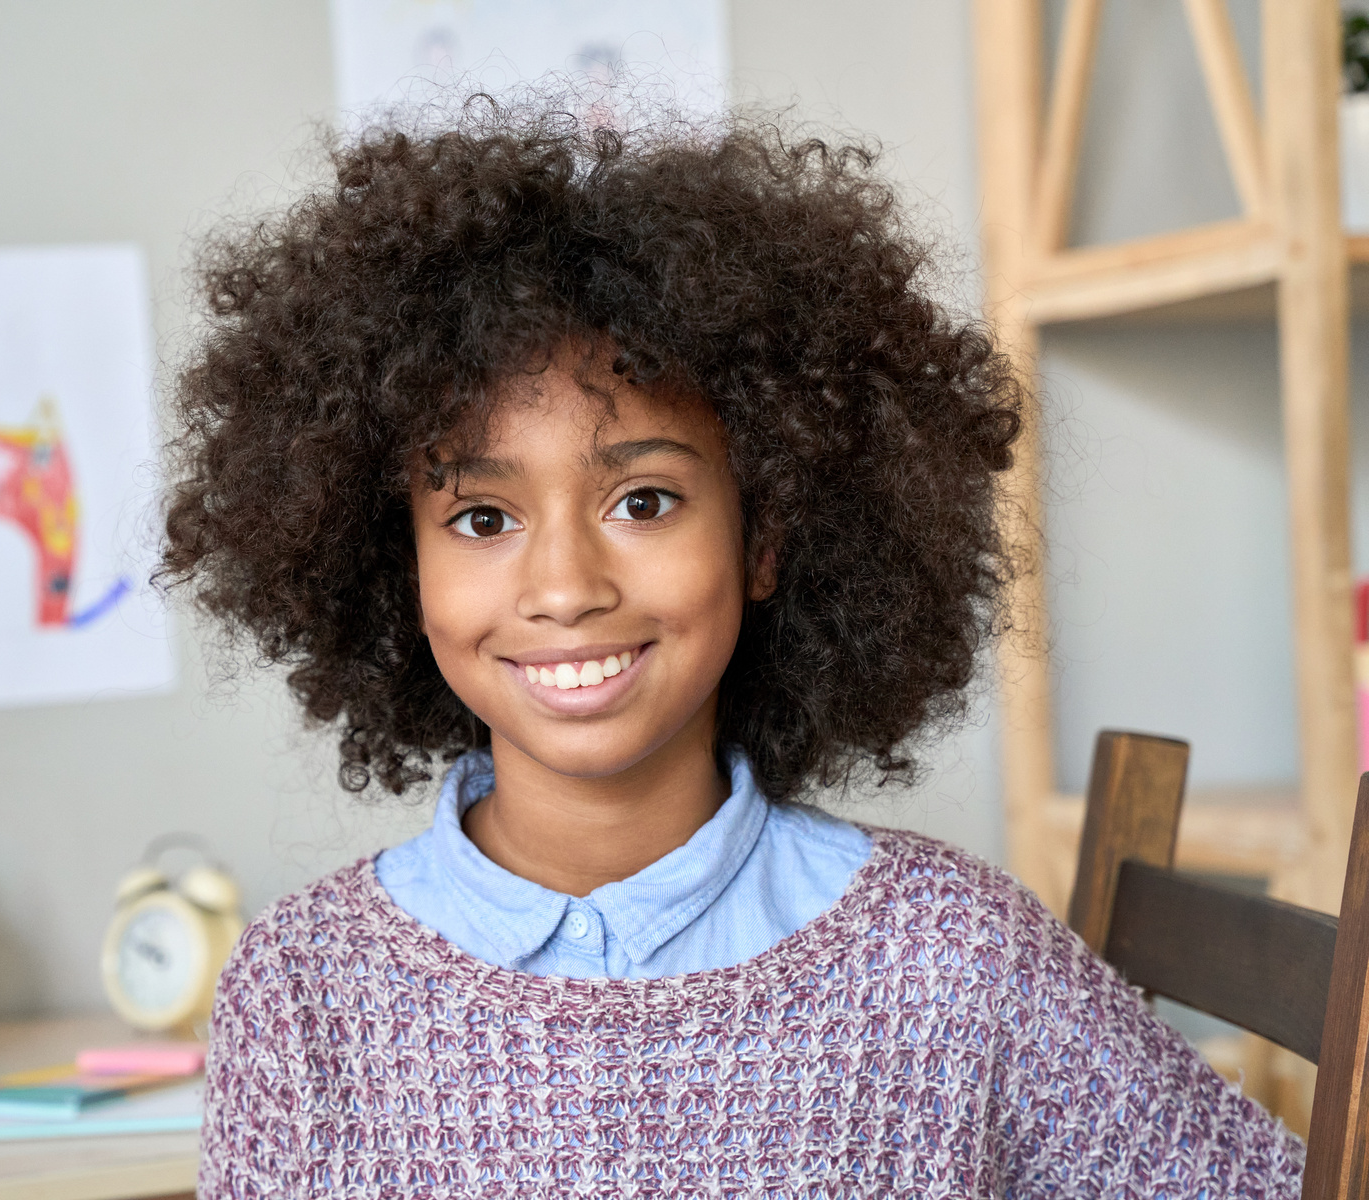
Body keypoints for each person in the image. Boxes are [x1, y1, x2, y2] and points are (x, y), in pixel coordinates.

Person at [160, 98, 1304, 1197]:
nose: (565, 587)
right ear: (394, 570)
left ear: (765, 540)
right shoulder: (303, 991)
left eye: (645, 502)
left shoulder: (954, 961)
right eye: (482, 519)